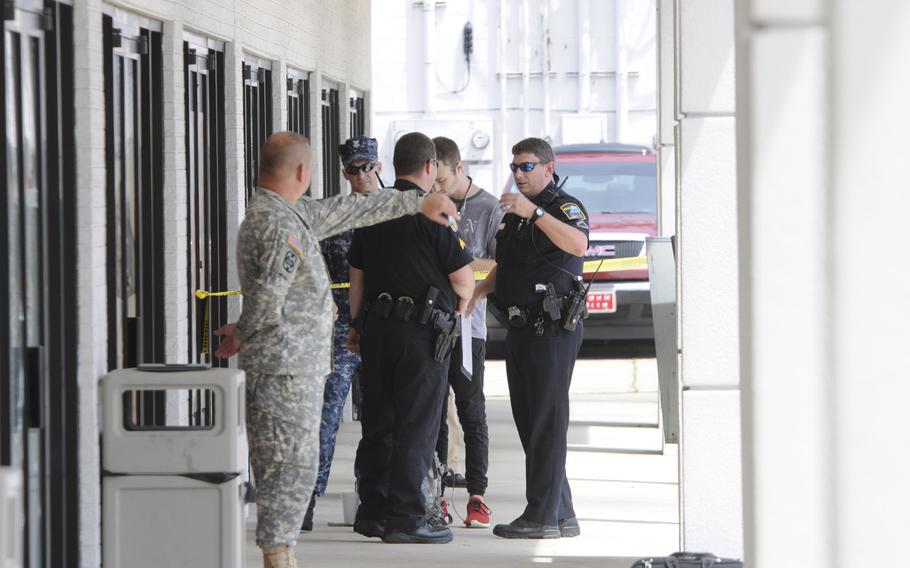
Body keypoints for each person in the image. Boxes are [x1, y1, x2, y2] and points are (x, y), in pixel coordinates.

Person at [212, 131, 459, 567]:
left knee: (297, 467)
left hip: (294, 366)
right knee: (287, 471)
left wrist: (416, 202)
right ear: (303, 172)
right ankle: (278, 555)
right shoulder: (276, 225)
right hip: (283, 369)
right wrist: (245, 331)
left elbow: (350, 209)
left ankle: (282, 551)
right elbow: (268, 299)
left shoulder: (291, 214)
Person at [347, 132, 474, 544]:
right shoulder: (435, 212)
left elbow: (357, 281)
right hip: (421, 337)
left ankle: (373, 511)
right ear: (430, 167)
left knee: (379, 422)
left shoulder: (373, 211)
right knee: (416, 426)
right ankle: (406, 519)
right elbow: (464, 281)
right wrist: (462, 300)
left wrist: (356, 327)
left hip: (377, 332)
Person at [470, 137, 589, 540]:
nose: (518, 174)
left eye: (527, 166)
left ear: (548, 168)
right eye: (515, 166)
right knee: (531, 422)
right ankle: (562, 512)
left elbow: (578, 244)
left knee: (546, 423)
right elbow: (506, 266)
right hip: (521, 328)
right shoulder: (514, 215)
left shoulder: (562, 208)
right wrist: (478, 294)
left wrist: (535, 212)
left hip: (552, 329)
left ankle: (540, 516)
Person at [299, 136, 385, 532]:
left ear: (379, 167)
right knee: (327, 415)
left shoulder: (396, 211)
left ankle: (379, 498)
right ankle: (309, 499)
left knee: (384, 416)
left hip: (386, 327)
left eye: (367, 166)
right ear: (344, 172)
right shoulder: (332, 214)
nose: (361, 175)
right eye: (353, 169)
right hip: (341, 331)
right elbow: (309, 264)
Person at [431, 136, 502, 528]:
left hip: (469, 330)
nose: (437, 188)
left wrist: (473, 288)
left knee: (472, 411)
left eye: (442, 180)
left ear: (459, 168)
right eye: (433, 181)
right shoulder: (428, 205)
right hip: (434, 327)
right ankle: (437, 492)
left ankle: (477, 494)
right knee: (435, 413)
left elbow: (499, 265)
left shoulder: (488, 208)